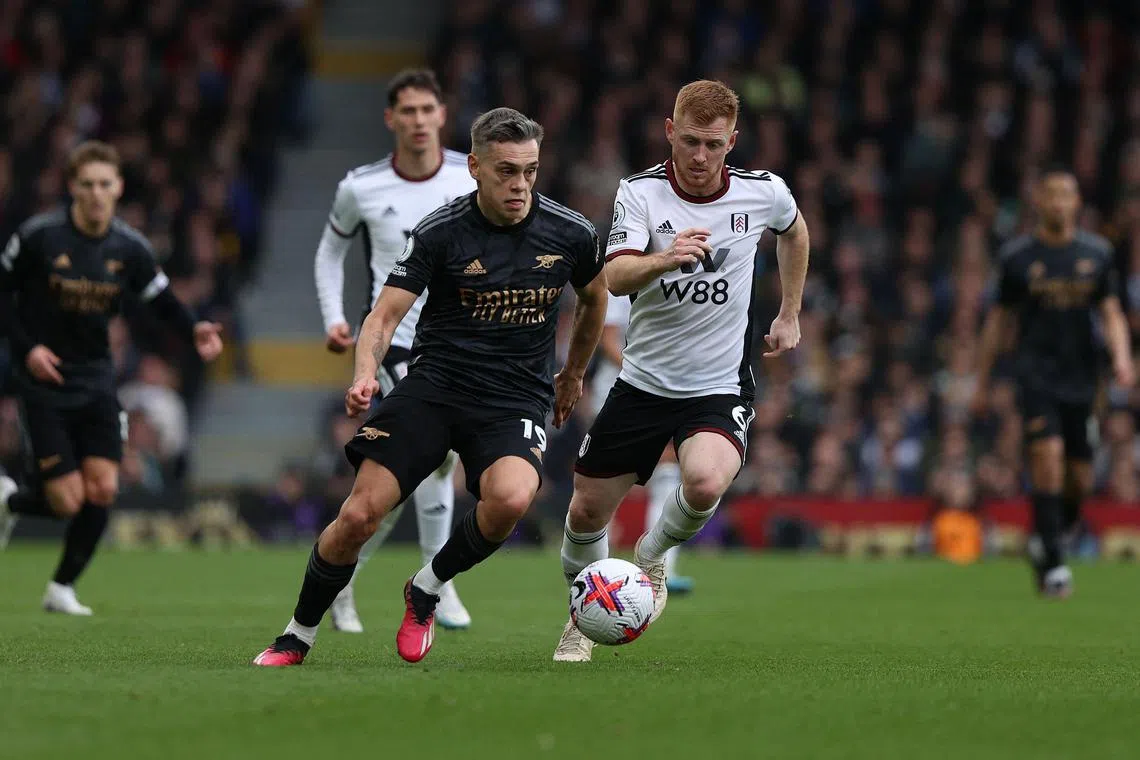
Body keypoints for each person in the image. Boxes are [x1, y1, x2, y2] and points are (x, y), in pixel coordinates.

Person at [253, 107, 608, 667]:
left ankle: (427, 586)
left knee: (512, 498)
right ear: (475, 167)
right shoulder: (442, 231)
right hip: (436, 388)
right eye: (505, 172)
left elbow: (595, 299)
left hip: (513, 398)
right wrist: (366, 372)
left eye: (530, 171)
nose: (520, 185)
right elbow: (383, 315)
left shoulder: (571, 232)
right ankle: (296, 635)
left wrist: (573, 374)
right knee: (358, 516)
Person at [553, 80, 810, 662]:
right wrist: (666, 258)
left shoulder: (762, 193)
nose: (699, 156)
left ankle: (649, 560)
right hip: (642, 383)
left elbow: (795, 231)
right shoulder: (640, 194)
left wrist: (790, 312)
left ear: (732, 142)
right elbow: (613, 278)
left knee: (704, 480)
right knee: (585, 511)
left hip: (718, 387)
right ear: (670, 132)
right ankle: (581, 614)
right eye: (689, 141)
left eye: (713, 145)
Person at [0, 141, 223, 614]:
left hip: (98, 380)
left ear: (118, 187)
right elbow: (4, 297)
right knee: (65, 501)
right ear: (71, 187)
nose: (97, 193)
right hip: (44, 381)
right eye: (87, 184)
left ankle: (61, 587)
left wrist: (194, 329)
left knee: (103, 488)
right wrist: (29, 349)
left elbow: (160, 298)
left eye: (105, 184)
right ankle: (10, 499)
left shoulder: (129, 247)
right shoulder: (39, 237)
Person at [313, 68, 475, 633]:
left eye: (427, 109)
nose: (418, 121)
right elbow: (329, 254)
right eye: (407, 111)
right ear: (391, 120)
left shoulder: (468, 175)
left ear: (442, 115)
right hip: (397, 340)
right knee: (437, 457)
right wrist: (335, 318)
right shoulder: (362, 186)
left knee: (406, 476)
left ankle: (342, 578)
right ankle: (440, 584)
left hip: (458, 341)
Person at [972, 166, 1134, 598]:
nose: (1060, 202)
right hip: (1036, 374)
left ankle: (1045, 537)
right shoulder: (1017, 257)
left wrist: (1122, 358)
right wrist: (982, 381)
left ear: (1077, 202)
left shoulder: (1097, 254)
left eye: (1068, 194)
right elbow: (998, 321)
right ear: (1039, 202)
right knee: (1047, 457)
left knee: (1078, 478)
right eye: (1053, 194)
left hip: (1084, 378)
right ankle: (1056, 564)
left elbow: (1112, 311)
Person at [586, 293, 693, 594]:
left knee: (667, 469)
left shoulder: (683, 277)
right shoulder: (624, 273)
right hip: (619, 390)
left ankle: (661, 569)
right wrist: (645, 374)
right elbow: (606, 340)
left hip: (665, 389)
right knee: (606, 480)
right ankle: (597, 568)